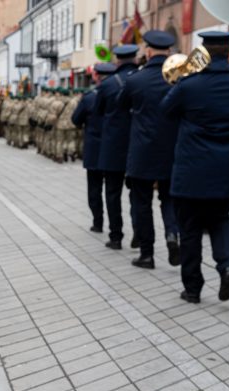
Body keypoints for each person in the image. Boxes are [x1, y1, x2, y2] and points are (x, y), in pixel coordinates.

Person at [162, 31, 229, 304]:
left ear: (204, 54)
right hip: (225, 168)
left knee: (189, 230)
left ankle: (193, 289)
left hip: (191, 170)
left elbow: (165, 110)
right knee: (221, 220)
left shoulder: (189, 86)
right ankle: (228, 266)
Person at [120, 30, 181, 269]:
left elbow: (121, 105)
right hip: (172, 150)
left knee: (141, 203)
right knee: (169, 199)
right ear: (169, 52)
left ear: (148, 51)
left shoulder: (135, 79)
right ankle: (172, 235)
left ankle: (147, 254)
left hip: (142, 151)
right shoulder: (179, 77)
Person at [94, 44, 139, 250]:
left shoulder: (108, 85)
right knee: (139, 194)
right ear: (136, 59)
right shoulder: (143, 80)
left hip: (113, 148)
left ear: (118, 61)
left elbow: (98, 112)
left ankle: (116, 236)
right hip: (138, 146)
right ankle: (140, 232)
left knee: (112, 194)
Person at [72, 63, 116, 233]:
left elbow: (76, 119)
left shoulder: (89, 97)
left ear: (96, 76)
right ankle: (115, 230)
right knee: (113, 191)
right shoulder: (118, 94)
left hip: (94, 149)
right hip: (113, 148)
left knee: (94, 189)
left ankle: (98, 222)